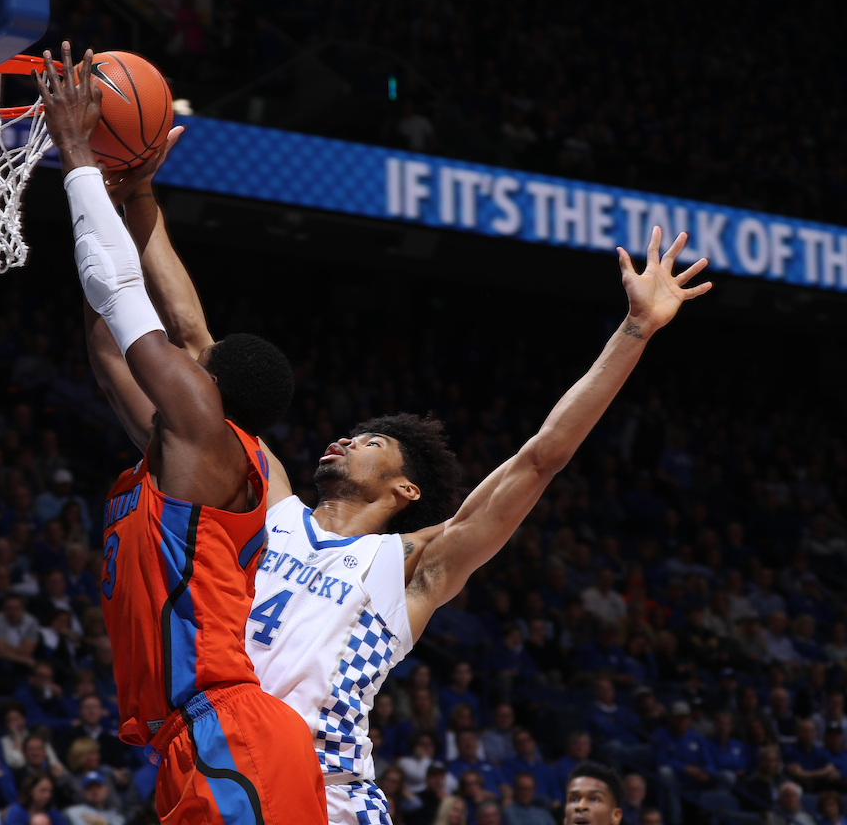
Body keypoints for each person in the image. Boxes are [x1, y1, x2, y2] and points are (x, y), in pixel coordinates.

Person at [90, 65, 712, 821]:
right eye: (348, 434)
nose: (344, 439)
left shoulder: (412, 567)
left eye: (369, 441)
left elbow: (541, 456)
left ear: (405, 490)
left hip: (332, 799)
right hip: (224, 764)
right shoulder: (268, 504)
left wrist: (634, 331)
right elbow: (199, 348)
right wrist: (140, 196)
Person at [36, 43, 323, 824]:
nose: (187, 359)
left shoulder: (205, 436)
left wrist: (77, 160)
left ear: (210, 389)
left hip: (232, 733)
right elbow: (106, 344)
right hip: (196, 739)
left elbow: (130, 302)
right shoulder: (179, 457)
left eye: (200, 367)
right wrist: (134, 196)